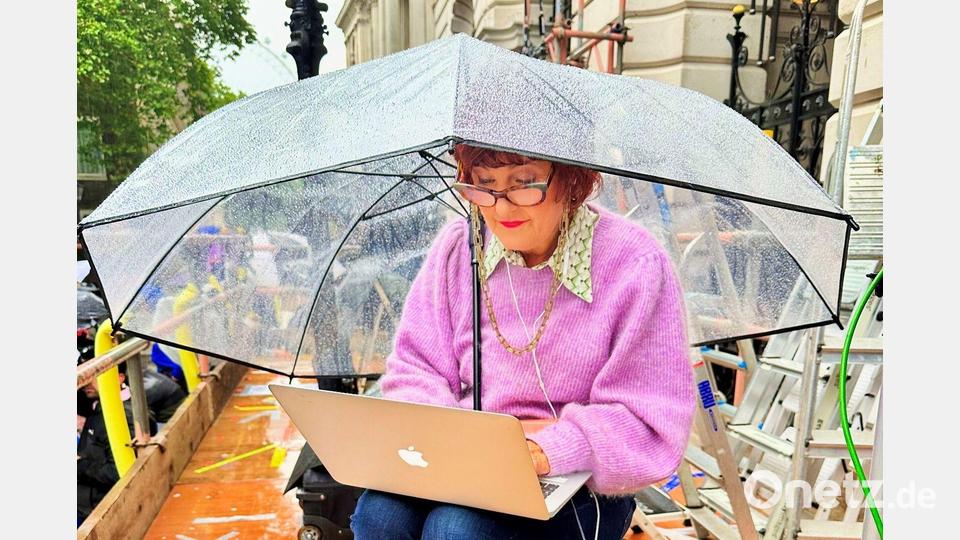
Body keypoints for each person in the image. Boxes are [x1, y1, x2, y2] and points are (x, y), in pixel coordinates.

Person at [349, 145, 697, 539]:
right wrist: (449, 439)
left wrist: (547, 449)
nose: (501, 209)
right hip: (471, 460)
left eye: (524, 183)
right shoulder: (459, 249)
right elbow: (416, 368)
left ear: (571, 178)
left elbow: (647, 419)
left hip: (578, 478)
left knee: (455, 529)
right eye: (484, 185)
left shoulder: (634, 263)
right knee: (378, 514)